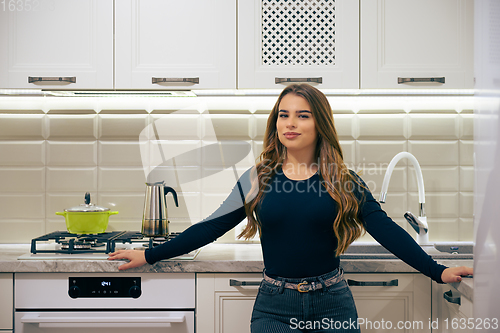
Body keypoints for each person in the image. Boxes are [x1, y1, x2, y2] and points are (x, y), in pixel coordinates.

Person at [108, 84, 473, 332]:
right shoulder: (259, 177)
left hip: (332, 305)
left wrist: (437, 271)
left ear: (320, 123)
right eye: (283, 115)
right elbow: (210, 227)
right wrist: (151, 254)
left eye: (302, 115)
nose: (290, 123)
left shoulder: (344, 180)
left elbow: (389, 232)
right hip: (273, 307)